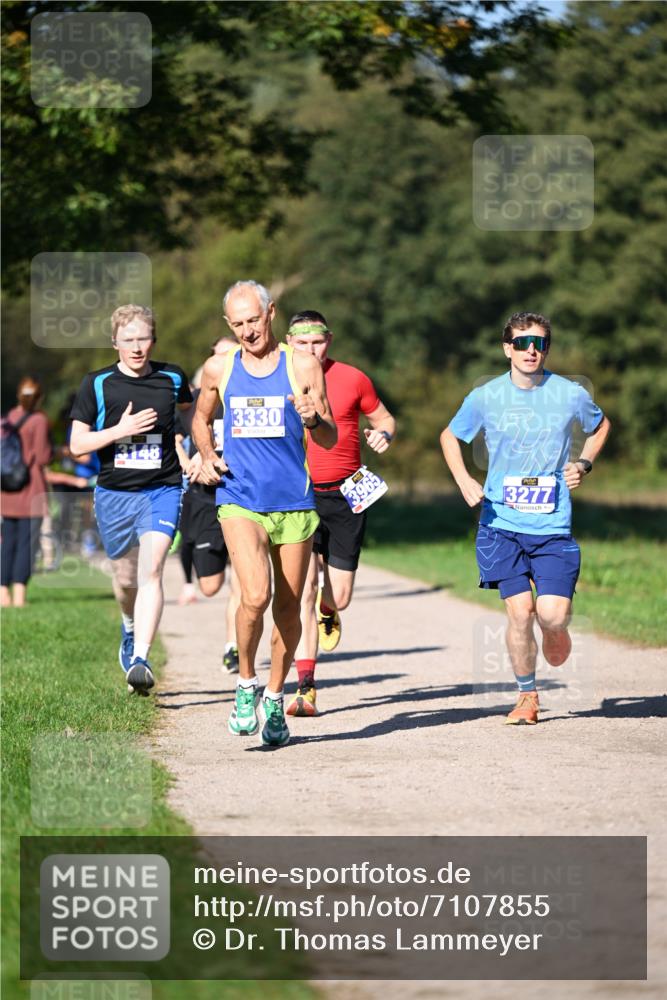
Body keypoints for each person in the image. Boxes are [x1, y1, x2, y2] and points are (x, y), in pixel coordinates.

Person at [440, 311, 611, 725]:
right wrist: (464, 479)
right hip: (500, 523)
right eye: (521, 343)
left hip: (552, 525)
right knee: (519, 612)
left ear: (547, 349)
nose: (530, 350)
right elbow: (449, 436)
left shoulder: (569, 393)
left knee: (551, 614)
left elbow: (601, 425)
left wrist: (583, 464)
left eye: (539, 343)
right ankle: (527, 696)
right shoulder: (486, 396)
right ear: (507, 349)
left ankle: (556, 629)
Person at [193, 280, 337, 747]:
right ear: (228, 324)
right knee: (255, 595)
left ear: (271, 313)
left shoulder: (303, 365)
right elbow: (200, 418)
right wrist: (207, 454)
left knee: (290, 608)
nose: (247, 331)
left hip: (294, 501)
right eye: (237, 324)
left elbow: (329, 436)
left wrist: (312, 418)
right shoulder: (220, 367)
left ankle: (275, 696)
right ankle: (245, 685)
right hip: (240, 497)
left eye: (253, 320)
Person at [69, 304, 192, 695]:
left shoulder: (173, 377)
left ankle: (140, 659)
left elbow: (187, 413)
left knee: (152, 570)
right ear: (115, 343)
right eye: (128, 340)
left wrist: (188, 446)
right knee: (125, 580)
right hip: (115, 494)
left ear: (153, 340)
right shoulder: (97, 384)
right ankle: (129, 626)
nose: (137, 348)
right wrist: (118, 431)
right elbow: (76, 445)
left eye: (143, 339)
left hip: (162, 488)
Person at [285, 311, 396, 717]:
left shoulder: (353, 378)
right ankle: (306, 687)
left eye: (317, 342)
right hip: (299, 494)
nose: (310, 349)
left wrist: (383, 434)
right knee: (304, 587)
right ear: (289, 341)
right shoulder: (278, 377)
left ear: (328, 340)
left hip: (347, 493)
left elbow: (384, 417)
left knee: (340, 596)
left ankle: (329, 609)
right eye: (302, 342)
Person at [175, 340, 242, 672]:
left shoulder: (248, 397)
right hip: (203, 499)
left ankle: (234, 647)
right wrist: (189, 461)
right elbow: (174, 437)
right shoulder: (194, 402)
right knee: (211, 586)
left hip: (242, 496)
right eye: (220, 355)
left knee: (245, 581)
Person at [1, 377, 53, 607]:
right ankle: (19, 596)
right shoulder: (39, 420)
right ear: (40, 397)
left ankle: (3, 595)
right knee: (27, 545)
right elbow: (42, 457)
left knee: (7, 543)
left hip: (7, 491)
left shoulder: (8, 418)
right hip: (31, 491)